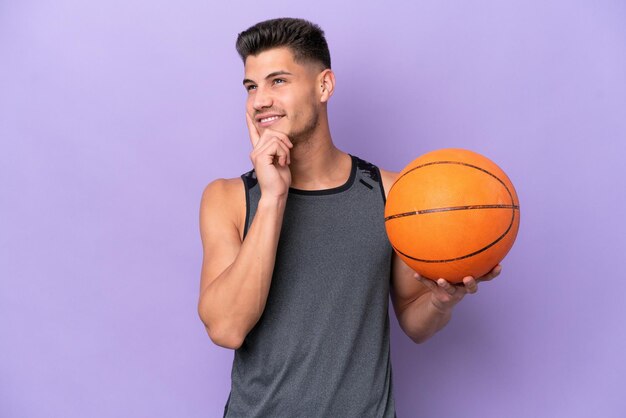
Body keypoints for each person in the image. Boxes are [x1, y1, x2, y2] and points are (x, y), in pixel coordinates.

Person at [197, 17, 501, 418]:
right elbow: (226, 328)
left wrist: (442, 302)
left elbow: (415, 322)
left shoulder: (392, 194)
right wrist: (273, 196)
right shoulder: (228, 198)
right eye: (252, 87)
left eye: (278, 81)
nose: (259, 101)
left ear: (324, 85)